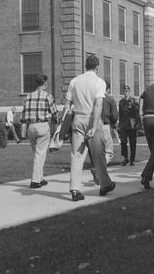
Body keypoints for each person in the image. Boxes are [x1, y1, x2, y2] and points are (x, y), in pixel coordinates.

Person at [64, 55, 115, 201]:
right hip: (92, 119)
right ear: (97, 67)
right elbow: (98, 105)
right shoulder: (99, 82)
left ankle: (75, 189)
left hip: (78, 119)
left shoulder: (74, 81)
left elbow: (67, 106)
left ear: (85, 66)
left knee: (77, 155)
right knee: (98, 155)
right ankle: (105, 184)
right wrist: (94, 126)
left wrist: (63, 127)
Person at [21, 74, 58, 189]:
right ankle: (35, 181)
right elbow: (54, 112)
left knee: (37, 154)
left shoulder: (28, 96)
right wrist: (57, 122)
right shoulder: (47, 96)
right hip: (42, 125)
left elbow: (23, 115)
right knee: (40, 154)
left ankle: (40, 178)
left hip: (31, 126)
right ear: (45, 84)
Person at [118, 85, 139, 166]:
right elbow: (120, 114)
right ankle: (125, 158)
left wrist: (137, 123)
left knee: (132, 142)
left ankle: (132, 159)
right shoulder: (121, 102)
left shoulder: (133, 100)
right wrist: (119, 125)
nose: (126, 92)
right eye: (125, 91)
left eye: (127, 91)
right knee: (123, 142)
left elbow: (136, 113)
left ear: (129, 92)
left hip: (131, 124)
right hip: (123, 124)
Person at [101, 81, 118, 164]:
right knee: (108, 148)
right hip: (105, 125)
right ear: (108, 89)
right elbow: (115, 115)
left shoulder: (94, 98)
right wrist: (113, 122)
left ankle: (98, 163)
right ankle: (104, 163)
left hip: (95, 125)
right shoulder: (110, 99)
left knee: (98, 146)